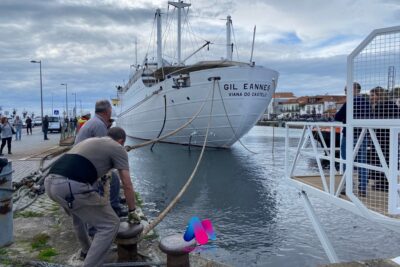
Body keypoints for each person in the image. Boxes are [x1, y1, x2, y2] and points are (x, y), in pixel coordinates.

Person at [44, 127, 139, 267]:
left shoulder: (90, 141)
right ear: (121, 141)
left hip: (50, 184)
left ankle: (87, 251)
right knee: (110, 224)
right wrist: (132, 211)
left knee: (78, 217)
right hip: (71, 187)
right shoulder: (118, 148)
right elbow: (127, 183)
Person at [75, 100, 124, 217]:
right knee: (114, 178)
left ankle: (114, 200)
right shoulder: (99, 125)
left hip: (82, 159)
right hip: (85, 163)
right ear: (108, 111)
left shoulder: (93, 121)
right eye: (111, 110)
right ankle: (114, 207)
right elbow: (106, 150)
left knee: (111, 177)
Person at [334, 82, 371, 196]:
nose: (345, 93)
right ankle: (363, 189)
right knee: (362, 162)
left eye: (347, 91)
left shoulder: (349, 102)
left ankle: (348, 186)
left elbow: (338, 117)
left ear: (355, 90)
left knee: (346, 161)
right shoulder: (366, 103)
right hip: (362, 135)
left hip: (349, 135)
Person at [369, 86, 400, 191]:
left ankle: (385, 183)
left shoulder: (383, 105)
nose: (371, 97)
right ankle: (383, 181)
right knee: (384, 159)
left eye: (373, 95)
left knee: (384, 159)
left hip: (385, 137)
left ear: (379, 95)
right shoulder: (390, 104)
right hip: (387, 136)